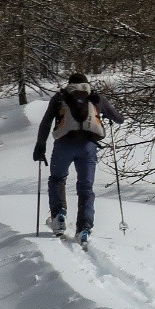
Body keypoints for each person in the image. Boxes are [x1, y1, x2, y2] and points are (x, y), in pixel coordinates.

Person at [32, 73, 125, 243]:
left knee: (57, 179)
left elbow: (46, 122)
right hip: (88, 148)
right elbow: (119, 119)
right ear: (86, 84)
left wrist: (40, 146)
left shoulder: (60, 98)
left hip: (63, 146)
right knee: (86, 188)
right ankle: (84, 228)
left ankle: (59, 214)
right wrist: (103, 114)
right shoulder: (96, 98)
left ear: (70, 84)